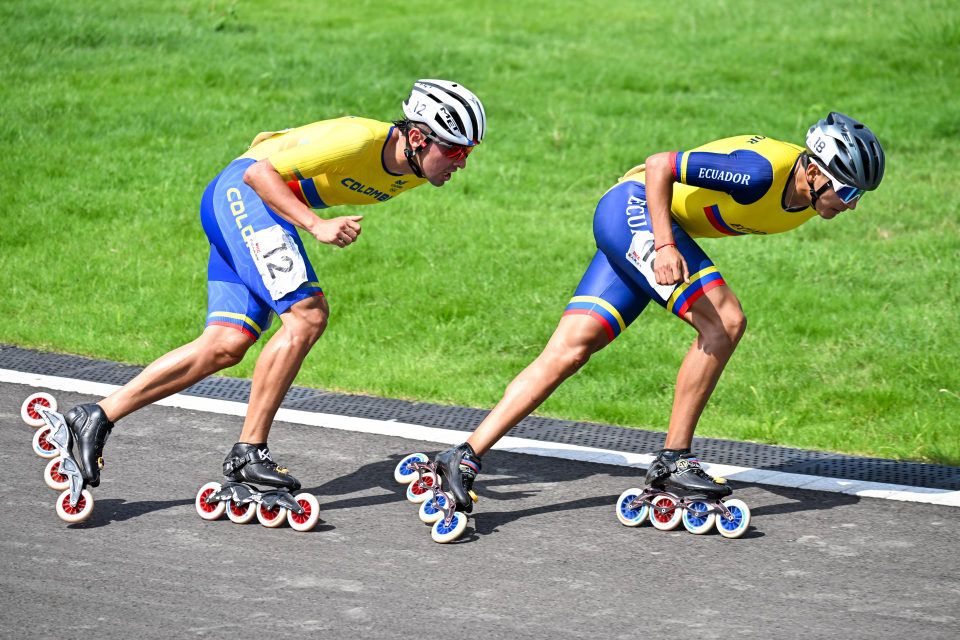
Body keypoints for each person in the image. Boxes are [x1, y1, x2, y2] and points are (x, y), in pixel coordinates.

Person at [429, 112, 884, 514]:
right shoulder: (760, 174)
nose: (850, 203)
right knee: (725, 322)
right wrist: (664, 245)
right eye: (845, 189)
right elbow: (659, 165)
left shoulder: (807, 198)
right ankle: (674, 459)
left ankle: (463, 455)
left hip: (651, 221)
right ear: (812, 168)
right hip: (635, 207)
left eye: (858, 194)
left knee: (570, 350)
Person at [60, 79, 486, 498]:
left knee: (226, 344)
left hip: (256, 208)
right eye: (454, 150)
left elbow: (275, 145)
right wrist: (316, 224)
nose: (461, 163)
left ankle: (96, 416)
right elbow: (259, 172)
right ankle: (249, 451)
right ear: (416, 136)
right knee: (307, 316)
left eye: (468, 153)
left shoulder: (414, 171)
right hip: (245, 195)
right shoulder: (359, 139)